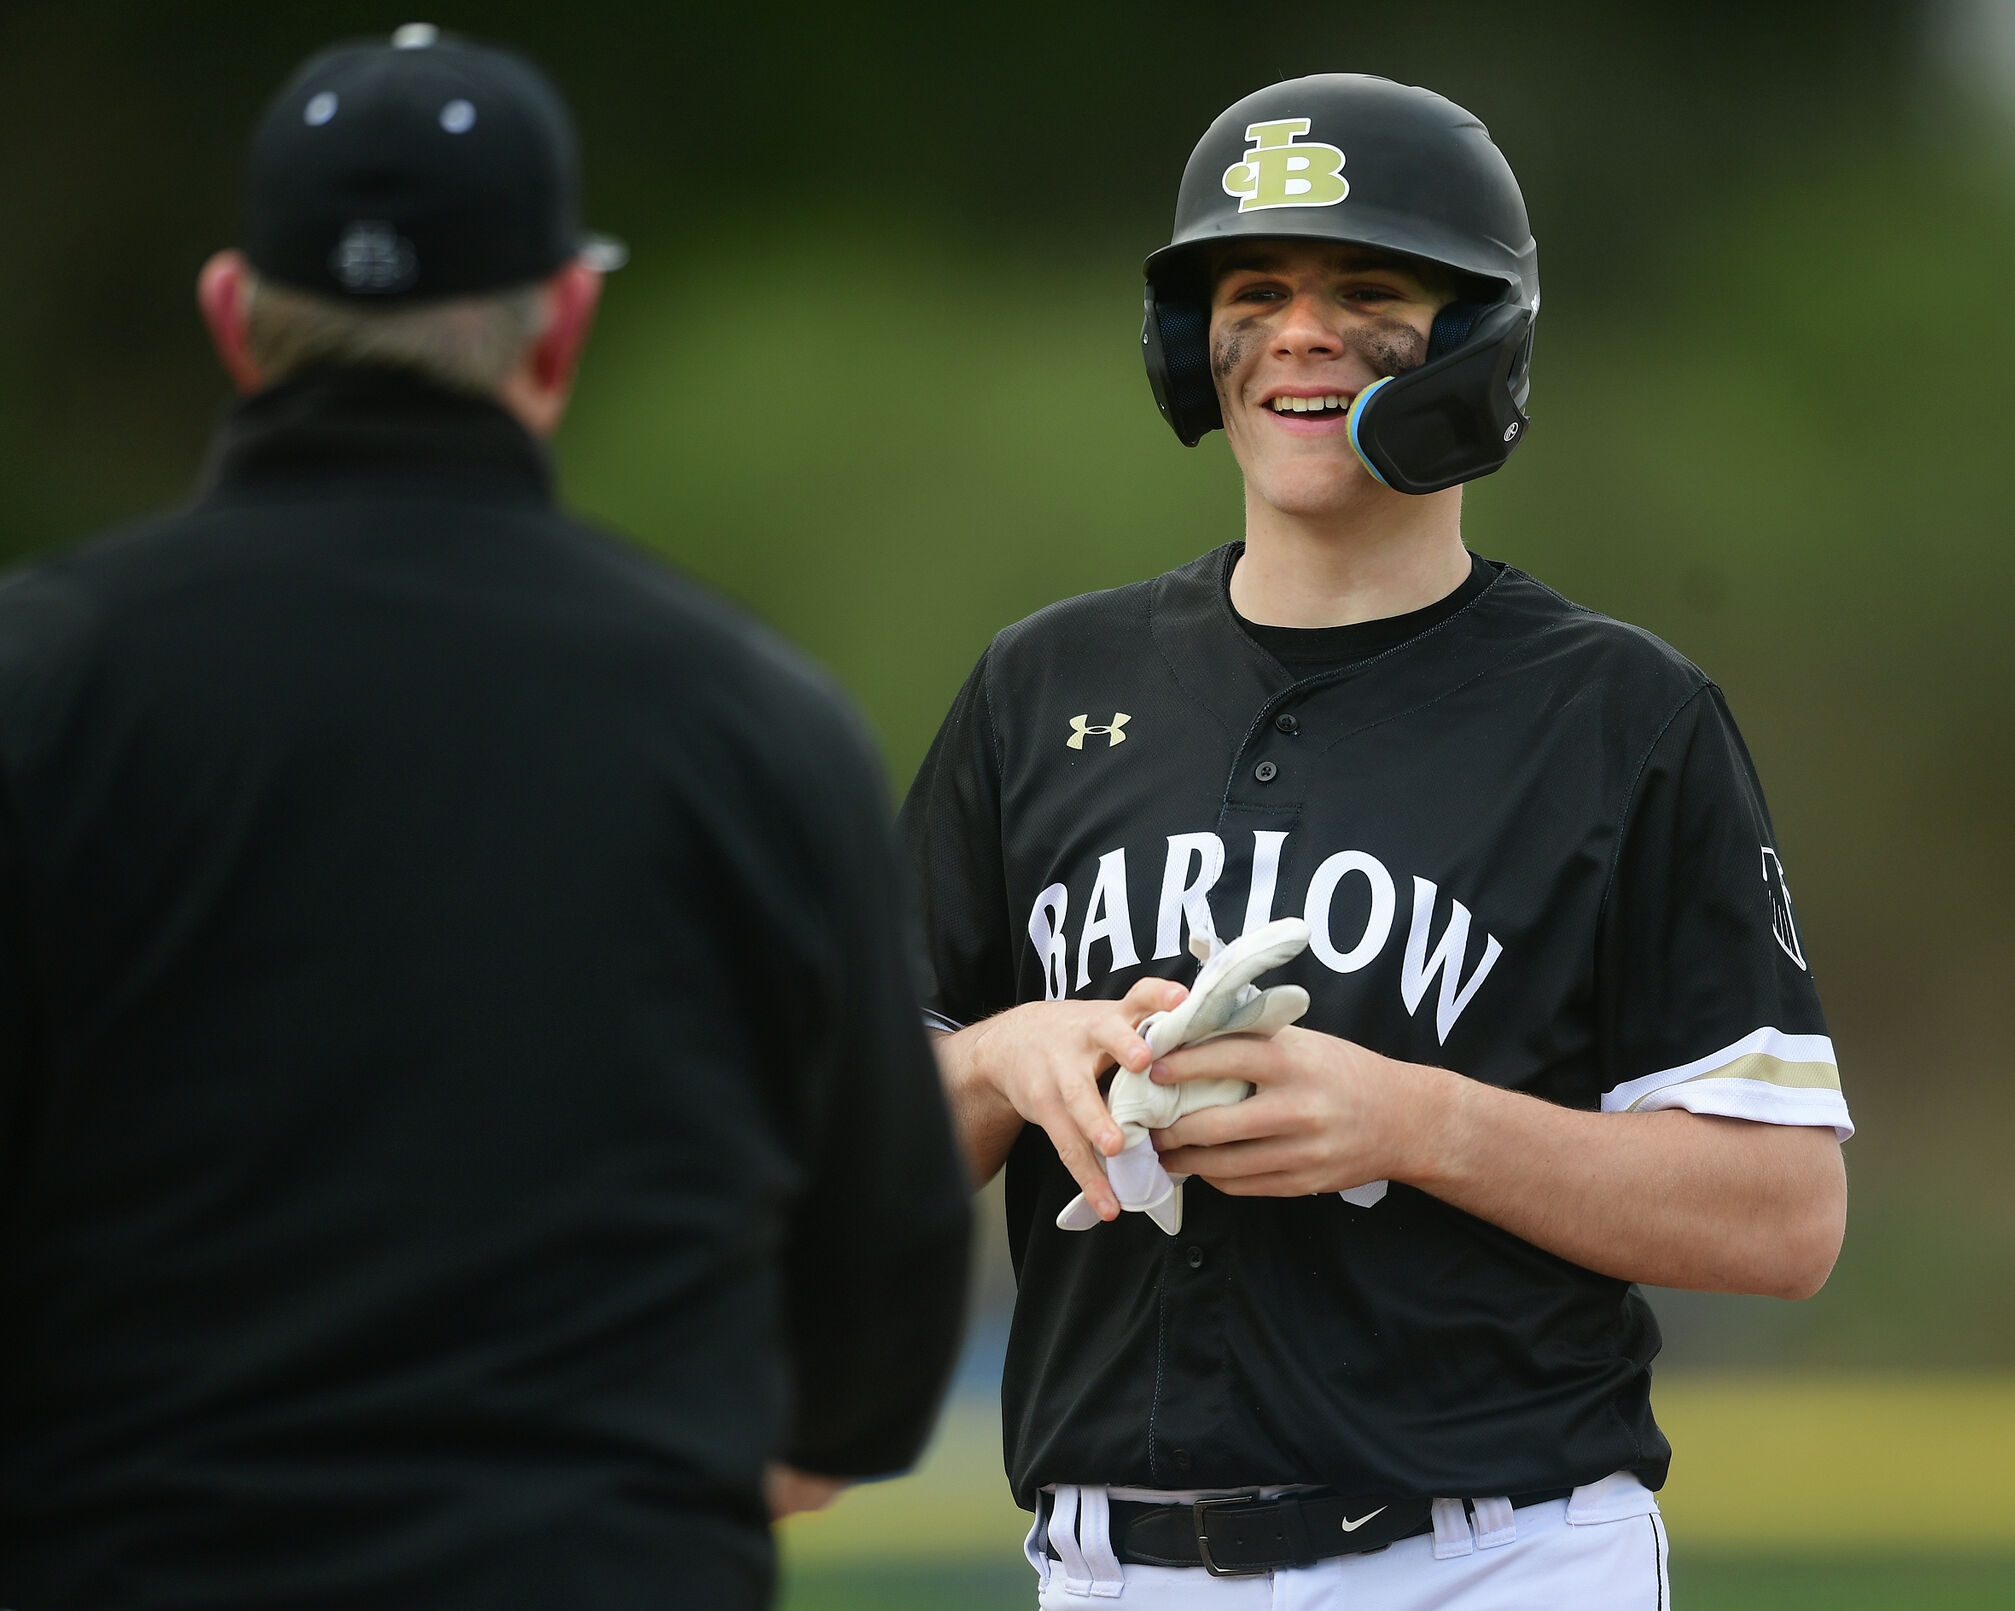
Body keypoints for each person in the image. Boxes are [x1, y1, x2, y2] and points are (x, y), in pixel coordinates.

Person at [0, 26, 968, 1611]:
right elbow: (878, 1311)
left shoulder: (41, 688)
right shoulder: (751, 722)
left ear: (236, 317)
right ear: (563, 324)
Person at [902, 73, 1850, 1607]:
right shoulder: (1043, 687)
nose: (1299, 331)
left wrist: (1416, 1122)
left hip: (1493, 1558)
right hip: (1111, 1570)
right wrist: (1010, 1054)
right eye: (1254, 286)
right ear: (1182, 339)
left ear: (1478, 336)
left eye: (1368, 288)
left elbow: (1786, 1214)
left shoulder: (1620, 715)